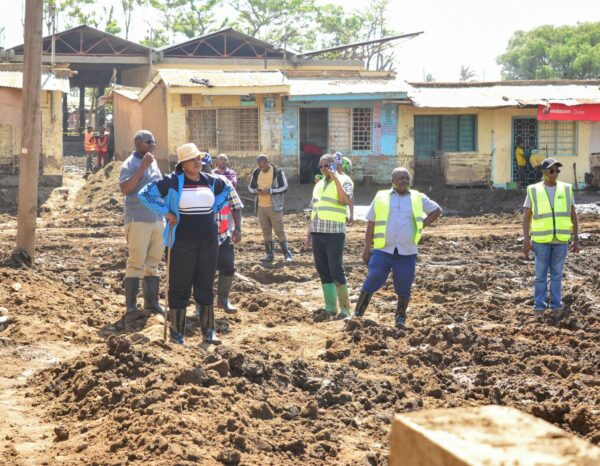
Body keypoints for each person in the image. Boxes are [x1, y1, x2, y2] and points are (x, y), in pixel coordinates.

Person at [139, 143, 231, 345]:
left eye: (199, 158)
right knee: (179, 286)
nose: (198, 162)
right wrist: (166, 211)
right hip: (181, 242)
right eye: (192, 159)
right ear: (183, 163)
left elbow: (227, 190)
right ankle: (177, 333)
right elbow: (145, 194)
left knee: (205, 285)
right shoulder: (172, 182)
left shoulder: (210, 181)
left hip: (208, 242)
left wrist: (216, 205)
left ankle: (209, 332)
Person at [353, 168, 442, 327]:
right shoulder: (381, 196)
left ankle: (400, 318)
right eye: (401, 178)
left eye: (407, 178)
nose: (404, 181)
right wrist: (366, 249)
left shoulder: (418, 197)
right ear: (392, 180)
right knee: (373, 279)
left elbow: (437, 210)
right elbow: (371, 223)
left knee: (404, 285)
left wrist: (421, 225)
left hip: (406, 252)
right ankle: (358, 314)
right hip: (383, 250)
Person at [118, 130, 165, 328]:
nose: (152, 145)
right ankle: (131, 305)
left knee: (153, 262)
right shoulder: (130, 164)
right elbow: (125, 189)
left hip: (157, 218)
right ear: (138, 142)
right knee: (137, 261)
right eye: (148, 142)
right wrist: (142, 168)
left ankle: (152, 303)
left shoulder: (153, 162)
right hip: (138, 218)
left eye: (154, 142)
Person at [522, 158, 580, 318]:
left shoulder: (566, 189)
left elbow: (573, 215)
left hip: (561, 241)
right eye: (551, 170)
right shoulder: (533, 190)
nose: (555, 173)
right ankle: (539, 307)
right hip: (541, 241)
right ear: (543, 172)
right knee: (540, 276)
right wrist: (526, 241)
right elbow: (526, 217)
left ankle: (556, 307)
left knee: (556, 276)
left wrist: (576, 239)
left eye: (557, 170)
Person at [304, 154, 354, 318]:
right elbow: (313, 210)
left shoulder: (345, 180)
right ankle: (330, 307)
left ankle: (345, 308)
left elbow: (345, 199)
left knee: (336, 269)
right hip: (318, 231)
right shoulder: (318, 185)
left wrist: (336, 179)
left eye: (327, 165)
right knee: (323, 270)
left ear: (334, 165)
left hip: (334, 232)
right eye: (321, 166)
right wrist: (308, 234)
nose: (324, 168)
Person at [201, 153, 244, 313]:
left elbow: (236, 205)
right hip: (200, 237)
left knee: (228, 266)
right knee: (202, 271)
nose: (202, 169)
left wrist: (238, 229)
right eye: (199, 166)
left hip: (223, 234)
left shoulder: (223, 182)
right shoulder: (191, 186)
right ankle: (201, 305)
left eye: (205, 166)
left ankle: (223, 300)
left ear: (210, 165)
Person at [248, 154, 292, 262]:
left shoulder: (277, 172)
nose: (262, 169)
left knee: (279, 230)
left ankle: (287, 254)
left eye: (264, 166)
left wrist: (270, 191)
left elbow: (285, 187)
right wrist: (256, 191)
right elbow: (250, 187)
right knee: (266, 231)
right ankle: (270, 254)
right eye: (260, 167)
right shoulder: (257, 172)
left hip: (274, 207)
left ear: (268, 162)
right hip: (261, 207)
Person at [334, 152, 355, 224]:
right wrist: (352, 215)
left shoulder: (326, 178)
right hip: (339, 217)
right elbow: (350, 199)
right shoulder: (346, 179)